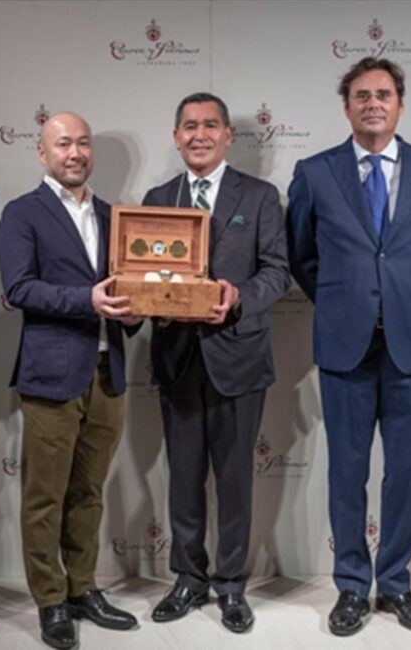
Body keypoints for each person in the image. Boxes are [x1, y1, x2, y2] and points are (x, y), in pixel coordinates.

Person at [286, 57, 411, 637]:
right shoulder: (315, 173)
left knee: (406, 473)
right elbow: (302, 256)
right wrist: (348, 299)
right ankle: (351, 586)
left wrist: (399, 295)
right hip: (345, 345)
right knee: (348, 471)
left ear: (400, 105)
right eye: (361, 95)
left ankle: (397, 584)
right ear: (347, 107)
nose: (373, 104)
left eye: (383, 94)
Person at [143, 93, 290, 633]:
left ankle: (230, 585)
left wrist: (240, 296)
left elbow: (277, 271)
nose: (199, 134)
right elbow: (143, 271)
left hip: (239, 357)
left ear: (228, 135)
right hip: (177, 358)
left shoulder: (260, 196)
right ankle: (188, 578)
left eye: (210, 125)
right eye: (189, 126)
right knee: (183, 477)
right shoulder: (158, 199)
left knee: (234, 479)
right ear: (176, 136)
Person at [0, 112, 141, 649]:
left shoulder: (114, 215)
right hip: (51, 375)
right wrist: (88, 300)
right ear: (43, 153)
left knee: (88, 492)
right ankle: (50, 600)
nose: (75, 152)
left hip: (108, 373)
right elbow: (18, 288)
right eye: (63, 144)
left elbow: (128, 288)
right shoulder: (22, 213)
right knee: (44, 496)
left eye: (83, 143)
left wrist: (134, 312)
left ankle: (83, 587)